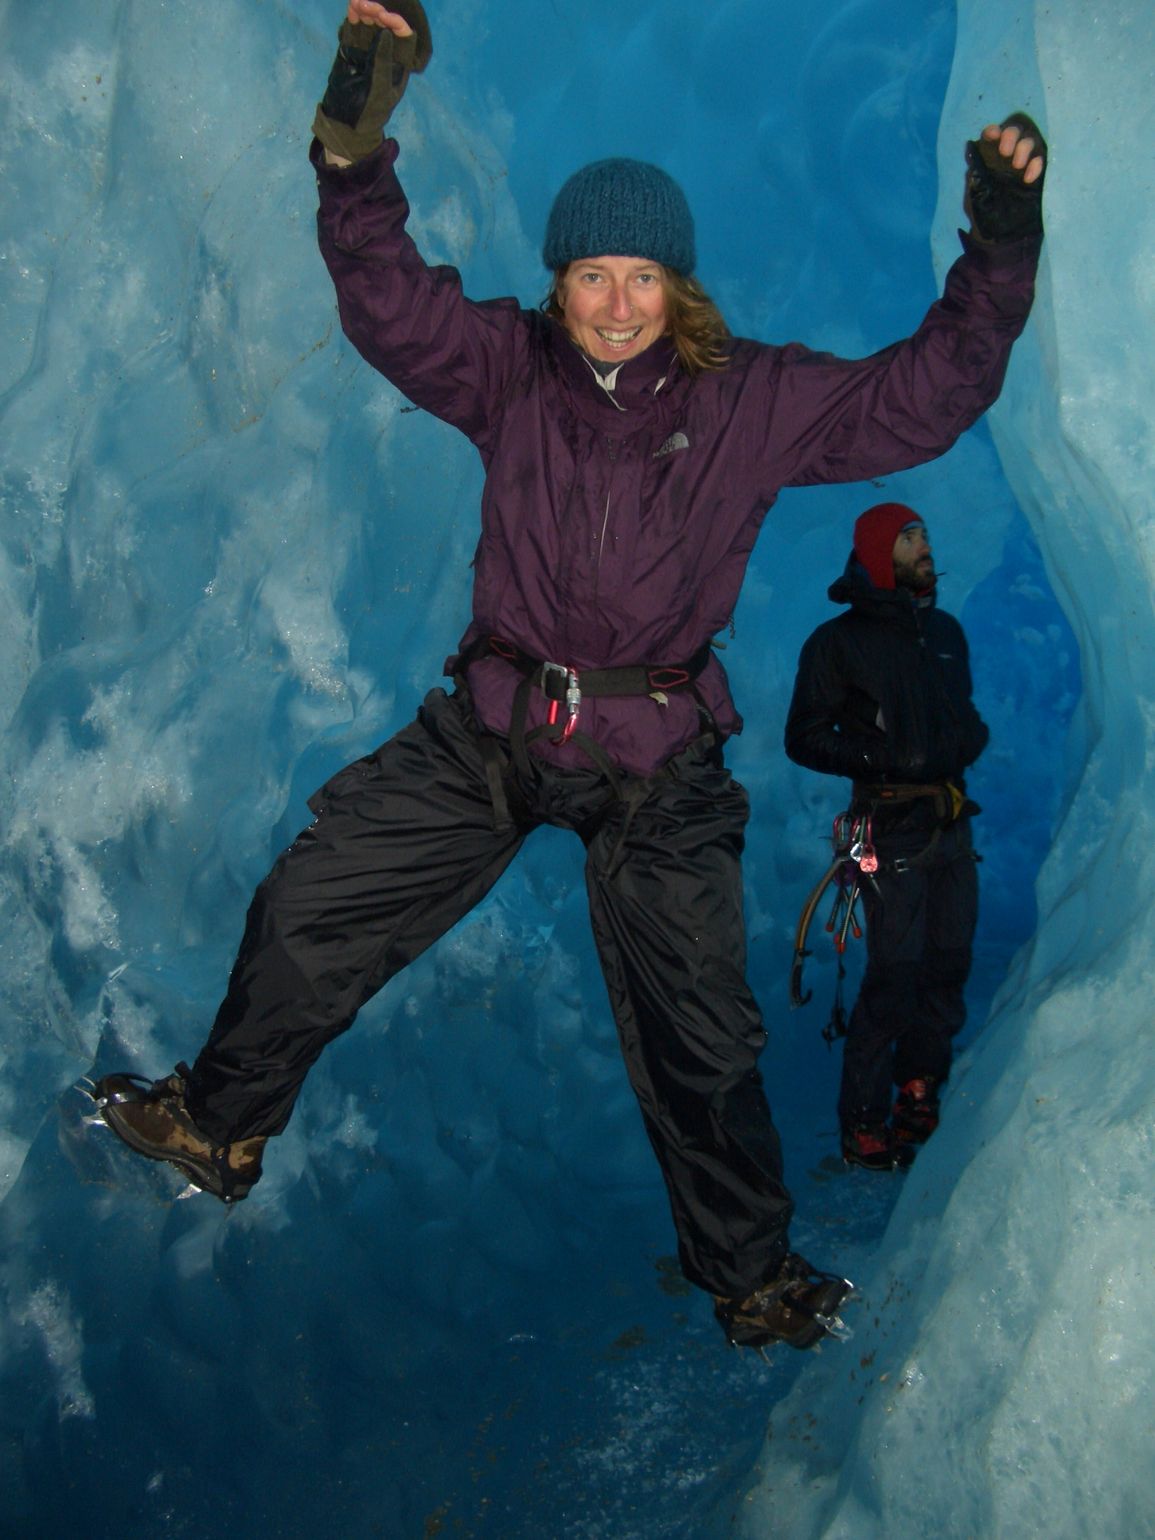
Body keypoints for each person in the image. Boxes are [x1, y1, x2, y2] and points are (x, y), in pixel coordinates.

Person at [90, 0, 1046, 1351]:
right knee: (313, 902)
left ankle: (752, 1277)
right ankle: (219, 1123)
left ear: (677, 287)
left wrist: (996, 252)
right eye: (591, 276)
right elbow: (385, 299)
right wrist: (352, 150)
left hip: (658, 763)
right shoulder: (509, 368)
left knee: (700, 1036)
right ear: (560, 282)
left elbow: (925, 393)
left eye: (639, 278)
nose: (615, 305)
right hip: (493, 728)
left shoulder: (747, 399)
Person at [784, 504, 988, 1171]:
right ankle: (864, 1118)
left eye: (924, 534)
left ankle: (918, 1087)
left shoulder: (945, 632)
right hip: (889, 827)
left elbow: (959, 711)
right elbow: (803, 736)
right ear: (879, 553)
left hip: (950, 821)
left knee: (947, 963)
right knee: (894, 974)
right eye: (909, 537)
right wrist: (880, 757)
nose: (925, 545)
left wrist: (968, 737)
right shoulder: (837, 643)